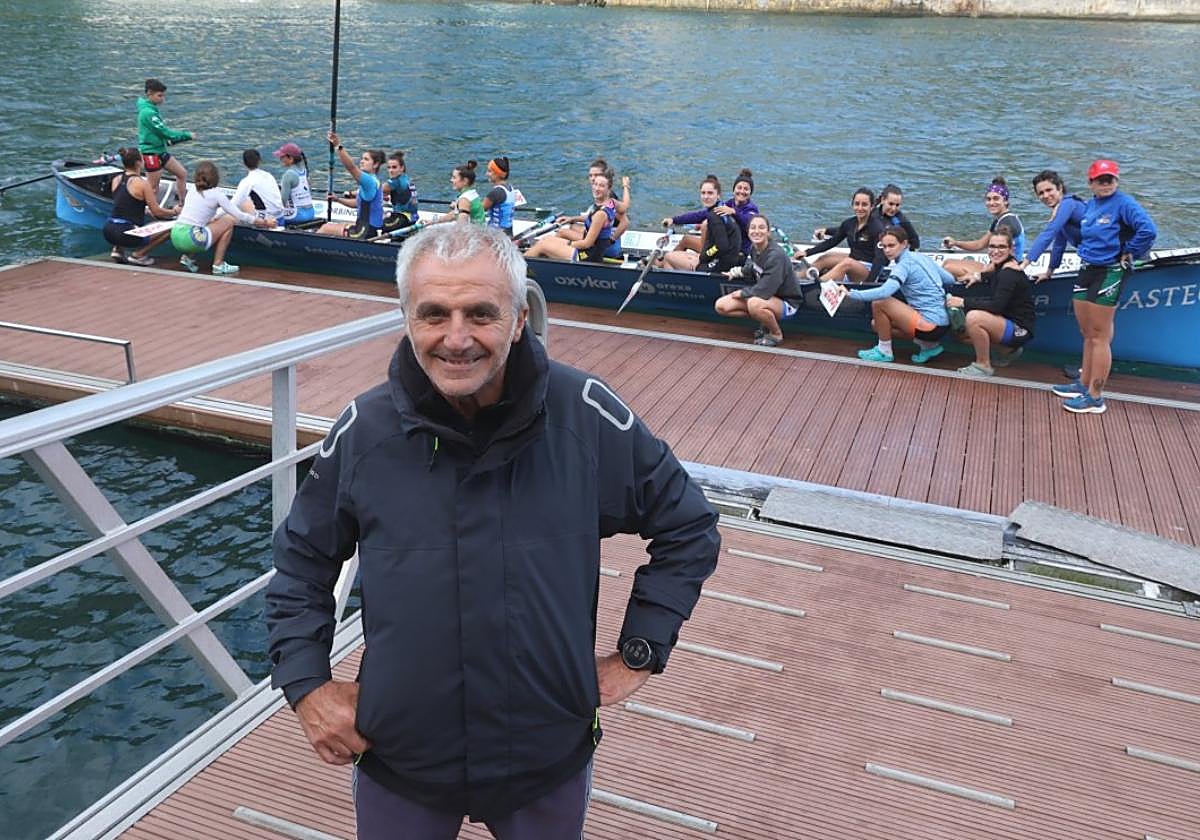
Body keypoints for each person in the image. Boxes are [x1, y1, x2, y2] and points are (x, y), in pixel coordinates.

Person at [265, 223, 720, 839]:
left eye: (481, 313)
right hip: (403, 756)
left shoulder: (584, 415)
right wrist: (307, 683)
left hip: (545, 756)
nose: (456, 339)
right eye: (433, 315)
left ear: (518, 317)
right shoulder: (366, 430)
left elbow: (688, 525)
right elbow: (301, 562)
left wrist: (640, 651)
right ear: (405, 318)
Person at [1050, 159, 1156, 414]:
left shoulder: (1124, 204)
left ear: (1116, 181)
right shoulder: (1090, 206)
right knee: (1087, 331)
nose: (1106, 183)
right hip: (1088, 268)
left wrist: (1129, 251)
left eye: (1110, 179)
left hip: (1110, 271)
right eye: (1101, 180)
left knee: (1099, 336)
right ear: (1091, 183)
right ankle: (1083, 383)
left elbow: (1148, 230)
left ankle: (1095, 397)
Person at [841, 226, 952, 364]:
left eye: (892, 246)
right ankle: (929, 346)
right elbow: (949, 279)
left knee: (880, 302)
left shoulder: (903, 266)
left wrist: (851, 293)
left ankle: (884, 352)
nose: (887, 250)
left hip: (930, 327)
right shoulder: (921, 257)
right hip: (943, 323)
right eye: (884, 246)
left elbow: (884, 292)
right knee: (877, 324)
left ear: (904, 244)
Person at [945, 229, 1036, 377]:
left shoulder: (1009, 273)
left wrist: (963, 301)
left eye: (1001, 247)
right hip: (1009, 323)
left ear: (1011, 249)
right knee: (961, 335)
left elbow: (996, 306)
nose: (996, 251)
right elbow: (990, 273)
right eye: (992, 247)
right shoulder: (1000, 266)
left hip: (1020, 329)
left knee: (974, 318)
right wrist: (977, 276)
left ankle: (983, 366)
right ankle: (1007, 351)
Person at [170, 160, 274, 274]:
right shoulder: (217, 195)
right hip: (192, 240)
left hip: (175, 235)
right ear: (215, 177)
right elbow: (239, 215)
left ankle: (187, 258)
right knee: (229, 220)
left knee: (207, 222)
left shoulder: (192, 190)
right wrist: (264, 222)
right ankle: (218, 265)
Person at [715, 214, 802, 346]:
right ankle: (765, 321)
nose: (757, 231)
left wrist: (742, 293)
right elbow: (753, 268)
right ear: (748, 231)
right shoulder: (755, 248)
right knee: (721, 306)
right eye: (753, 228)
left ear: (768, 232)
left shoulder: (776, 255)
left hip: (787, 302)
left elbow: (766, 289)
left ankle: (776, 334)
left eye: (761, 228)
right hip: (766, 299)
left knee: (754, 303)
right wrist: (738, 271)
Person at [102, 147, 178, 266]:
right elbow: (157, 212)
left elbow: (124, 204)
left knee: (124, 219)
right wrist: (174, 212)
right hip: (127, 234)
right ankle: (139, 255)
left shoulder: (116, 179)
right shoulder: (142, 184)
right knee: (171, 228)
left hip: (108, 231)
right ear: (138, 163)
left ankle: (117, 250)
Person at [942, 177, 1027, 279]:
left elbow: (1004, 258)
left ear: (1005, 201)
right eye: (988, 199)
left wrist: (978, 275)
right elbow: (980, 244)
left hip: (1004, 271)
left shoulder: (1007, 223)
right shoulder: (1000, 219)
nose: (991, 203)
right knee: (948, 262)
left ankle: (968, 286)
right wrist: (956, 243)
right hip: (995, 265)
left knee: (948, 267)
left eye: (996, 198)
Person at [524, 170, 617, 262]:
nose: (596, 188)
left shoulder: (600, 214)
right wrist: (572, 219)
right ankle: (539, 259)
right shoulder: (609, 204)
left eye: (601, 186)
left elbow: (586, 244)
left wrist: (568, 244)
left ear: (608, 189)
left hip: (587, 255)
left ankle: (518, 269)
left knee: (542, 245)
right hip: (591, 251)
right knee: (546, 239)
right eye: (595, 184)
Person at [658, 176, 742, 273]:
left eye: (710, 193)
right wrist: (674, 220)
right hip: (725, 258)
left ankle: (677, 284)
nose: (706, 197)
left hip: (721, 264)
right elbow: (696, 216)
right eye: (703, 193)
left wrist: (704, 257)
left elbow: (721, 246)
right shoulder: (720, 208)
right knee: (675, 254)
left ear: (718, 195)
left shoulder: (715, 217)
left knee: (668, 257)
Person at [800, 188, 884, 283]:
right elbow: (831, 242)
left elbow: (880, 259)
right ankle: (796, 279)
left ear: (872, 206)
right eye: (857, 204)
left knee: (847, 263)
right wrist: (807, 253)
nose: (860, 208)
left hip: (868, 270)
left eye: (864, 205)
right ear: (852, 205)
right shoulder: (849, 224)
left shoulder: (877, 228)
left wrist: (869, 283)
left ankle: (817, 284)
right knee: (826, 258)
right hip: (853, 260)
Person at [136, 78, 193, 211]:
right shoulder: (148, 113)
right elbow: (165, 132)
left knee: (182, 173)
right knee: (153, 187)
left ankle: (182, 204)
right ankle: (147, 209)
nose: (163, 99)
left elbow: (160, 135)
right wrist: (186, 135)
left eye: (163, 95)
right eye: (159, 95)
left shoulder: (152, 110)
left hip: (161, 151)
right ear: (149, 94)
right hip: (151, 154)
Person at [1020, 169, 1087, 283]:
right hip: (1090, 257)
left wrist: (1023, 265)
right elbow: (1059, 245)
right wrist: (1049, 272)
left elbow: (1048, 234)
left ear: (1060, 188)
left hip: (1106, 256)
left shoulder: (1068, 204)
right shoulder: (1061, 211)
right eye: (1041, 193)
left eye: (1049, 190)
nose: (1046, 195)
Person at [319, 131, 386, 238]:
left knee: (325, 228)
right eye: (362, 159)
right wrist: (338, 199)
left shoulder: (369, 181)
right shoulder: (375, 181)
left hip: (365, 231)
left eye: (366, 159)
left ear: (376, 164)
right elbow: (357, 204)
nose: (362, 161)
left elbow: (351, 167)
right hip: (370, 228)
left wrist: (338, 146)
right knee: (333, 226)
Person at [713, 169, 759, 255]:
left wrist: (734, 212)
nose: (742, 191)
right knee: (687, 239)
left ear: (750, 193)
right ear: (734, 190)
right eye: (739, 188)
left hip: (739, 252)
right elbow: (715, 212)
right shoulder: (730, 203)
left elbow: (748, 221)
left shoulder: (752, 209)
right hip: (725, 245)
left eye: (746, 189)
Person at [273, 142, 316, 227]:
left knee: (270, 214)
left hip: (297, 215)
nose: (280, 159)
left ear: (291, 158)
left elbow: (282, 201)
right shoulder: (304, 170)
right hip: (311, 213)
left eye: (282, 157)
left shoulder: (288, 174)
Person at [231, 149, 284, 218]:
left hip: (266, 220)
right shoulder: (269, 175)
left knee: (240, 205)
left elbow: (233, 204)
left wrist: (216, 216)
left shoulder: (247, 181)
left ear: (243, 163)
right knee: (246, 200)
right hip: (280, 216)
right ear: (260, 161)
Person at [430, 160, 485, 225]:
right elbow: (454, 214)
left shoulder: (464, 199)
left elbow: (461, 226)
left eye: (454, 177)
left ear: (465, 181)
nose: (451, 180)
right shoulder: (472, 194)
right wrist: (432, 222)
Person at [381, 151, 420, 232]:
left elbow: (376, 190)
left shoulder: (396, 181)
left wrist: (354, 193)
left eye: (394, 167)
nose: (391, 170)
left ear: (402, 168)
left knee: (375, 224)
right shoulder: (406, 179)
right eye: (389, 167)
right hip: (412, 218)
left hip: (402, 219)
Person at [481, 156, 517, 236]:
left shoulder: (496, 192)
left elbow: (478, 210)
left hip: (496, 236)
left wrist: (458, 206)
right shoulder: (511, 188)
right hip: (509, 233)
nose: (486, 174)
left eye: (489, 171)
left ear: (497, 174)